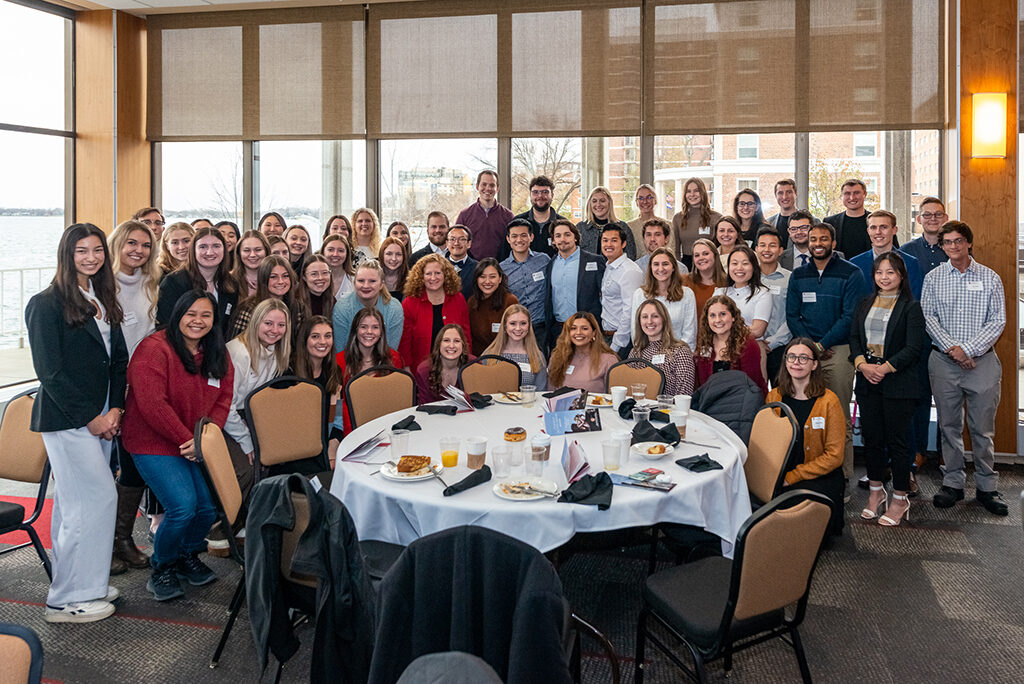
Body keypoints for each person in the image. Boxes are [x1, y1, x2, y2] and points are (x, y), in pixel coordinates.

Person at [26, 223, 128, 623]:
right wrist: (92, 419)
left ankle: (88, 582)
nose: (91, 257)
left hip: (103, 415)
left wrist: (115, 409)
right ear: (66, 255)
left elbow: (116, 361)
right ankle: (67, 600)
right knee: (96, 499)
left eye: (97, 250)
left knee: (78, 505)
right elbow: (50, 374)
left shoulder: (101, 297)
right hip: (71, 419)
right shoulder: (45, 303)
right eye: (81, 251)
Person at [122, 291, 233, 602]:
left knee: (207, 508)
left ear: (214, 321)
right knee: (182, 507)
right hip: (153, 440)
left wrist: (205, 439)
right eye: (191, 314)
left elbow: (224, 398)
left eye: (206, 315)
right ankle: (163, 566)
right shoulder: (154, 349)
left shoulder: (215, 352)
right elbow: (152, 404)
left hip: (193, 442)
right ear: (178, 315)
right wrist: (189, 440)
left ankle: (185, 555)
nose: (198, 321)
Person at [922, 221, 1008, 516]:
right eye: (948, 242)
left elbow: (997, 320)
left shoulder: (990, 277)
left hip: (982, 363)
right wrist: (954, 351)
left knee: (982, 430)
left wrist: (968, 350)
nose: (954, 246)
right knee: (949, 427)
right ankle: (953, 483)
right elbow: (929, 318)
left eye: (959, 241)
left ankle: (987, 487)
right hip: (944, 363)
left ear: (969, 243)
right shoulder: (933, 278)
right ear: (942, 246)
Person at [849, 252, 926, 526]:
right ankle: (876, 492)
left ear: (901, 276)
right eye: (880, 272)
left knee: (898, 443)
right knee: (872, 440)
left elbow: (914, 348)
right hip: (867, 380)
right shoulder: (864, 303)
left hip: (897, 383)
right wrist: (862, 365)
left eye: (890, 272)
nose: (885, 277)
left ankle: (900, 498)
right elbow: (855, 338)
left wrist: (884, 368)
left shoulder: (910, 308)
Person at [786, 221, 864, 488]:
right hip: (805, 354)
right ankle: (807, 472)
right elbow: (792, 315)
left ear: (833, 242)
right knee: (805, 414)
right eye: (813, 239)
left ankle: (841, 477)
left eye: (823, 239)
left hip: (838, 352)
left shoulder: (851, 273)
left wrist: (821, 345)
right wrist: (810, 348)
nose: (818, 243)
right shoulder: (798, 275)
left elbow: (849, 316)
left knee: (838, 415)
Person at [109, 220, 160, 572]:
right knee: (103, 467)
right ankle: (105, 543)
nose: (137, 251)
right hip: (110, 386)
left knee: (131, 465)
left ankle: (121, 539)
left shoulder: (154, 285)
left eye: (144, 245)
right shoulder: (102, 285)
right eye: (131, 243)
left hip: (143, 386)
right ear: (117, 245)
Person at [765, 338, 845, 537]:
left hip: (818, 474)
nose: (796, 362)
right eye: (791, 357)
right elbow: (767, 443)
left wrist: (793, 477)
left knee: (802, 523)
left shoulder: (829, 401)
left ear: (814, 364)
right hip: (784, 472)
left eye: (803, 358)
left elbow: (834, 456)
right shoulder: (774, 397)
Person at [222, 299, 290, 530]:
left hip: (249, 417)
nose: (274, 330)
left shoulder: (276, 351)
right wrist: (246, 441)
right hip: (224, 419)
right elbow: (226, 404)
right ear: (255, 323)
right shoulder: (239, 352)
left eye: (281, 325)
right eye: (268, 323)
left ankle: (249, 523)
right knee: (246, 468)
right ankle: (224, 526)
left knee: (269, 460)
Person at [157, 227, 238, 336]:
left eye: (216, 246)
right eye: (203, 247)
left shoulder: (231, 284)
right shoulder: (173, 282)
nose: (209, 252)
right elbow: (165, 325)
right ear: (193, 250)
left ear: (224, 249)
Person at [336, 307, 404, 432]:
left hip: (386, 426)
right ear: (355, 330)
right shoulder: (339, 361)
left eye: (375, 327)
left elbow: (397, 399)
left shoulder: (393, 359)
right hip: (351, 428)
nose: (369, 331)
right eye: (363, 327)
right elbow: (339, 406)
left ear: (381, 332)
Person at [400, 254, 471, 371]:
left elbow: (466, 335)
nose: (433, 278)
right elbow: (405, 341)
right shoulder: (409, 303)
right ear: (421, 277)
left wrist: (466, 364)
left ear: (446, 275)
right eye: (428, 273)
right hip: (419, 369)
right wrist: (406, 368)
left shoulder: (458, 299)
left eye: (438, 273)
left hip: (455, 367)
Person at [544, 219, 605, 350]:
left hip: (587, 331)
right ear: (553, 241)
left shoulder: (595, 261)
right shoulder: (550, 264)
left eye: (567, 234)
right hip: (559, 330)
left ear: (575, 237)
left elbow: (604, 296)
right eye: (558, 236)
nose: (563, 239)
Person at [290, 316, 344, 462]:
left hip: (325, 447)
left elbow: (336, 414)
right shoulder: (289, 374)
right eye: (315, 336)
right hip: (296, 451)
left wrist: (332, 448)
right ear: (304, 340)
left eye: (328, 336)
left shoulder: (334, 372)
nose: (322, 342)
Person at [694, 294, 767, 395]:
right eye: (712, 315)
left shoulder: (747, 344)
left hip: (741, 402)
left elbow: (752, 384)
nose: (717, 320)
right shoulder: (705, 343)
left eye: (723, 314)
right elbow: (701, 383)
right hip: (709, 403)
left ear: (733, 317)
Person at [332, 259, 404, 354]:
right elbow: (340, 349)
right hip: (349, 362)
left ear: (381, 284)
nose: (366, 286)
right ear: (354, 283)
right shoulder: (342, 308)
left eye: (372, 281)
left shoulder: (394, 308)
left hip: (383, 363)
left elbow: (391, 350)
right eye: (361, 281)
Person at [631, 247, 697, 350]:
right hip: (648, 357)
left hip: (679, 357)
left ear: (673, 267)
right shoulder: (640, 295)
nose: (660, 269)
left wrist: (677, 357)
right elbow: (636, 333)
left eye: (665, 264)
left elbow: (690, 334)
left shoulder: (687, 294)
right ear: (651, 268)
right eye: (656, 264)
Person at [500, 218, 551, 348]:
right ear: (508, 239)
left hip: (540, 327)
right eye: (514, 236)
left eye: (524, 235)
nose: (519, 240)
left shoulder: (544, 260)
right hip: (515, 329)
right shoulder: (502, 268)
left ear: (531, 237)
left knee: (541, 365)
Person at [849, 210, 923, 298]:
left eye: (883, 227)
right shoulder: (856, 263)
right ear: (868, 231)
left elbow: (914, 299)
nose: (878, 232)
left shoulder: (910, 263)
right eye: (873, 227)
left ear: (894, 230)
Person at [629, 298, 696, 396]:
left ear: (664, 319)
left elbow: (684, 394)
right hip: (639, 410)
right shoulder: (635, 352)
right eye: (644, 317)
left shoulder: (680, 351)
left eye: (655, 316)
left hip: (669, 410)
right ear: (639, 321)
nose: (649, 321)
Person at [599, 224, 644, 356]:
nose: (608, 244)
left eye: (614, 240)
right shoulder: (609, 266)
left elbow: (630, 311)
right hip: (607, 336)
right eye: (605, 240)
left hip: (622, 341)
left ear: (623, 244)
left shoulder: (629, 271)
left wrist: (616, 346)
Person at [547, 312, 619, 393]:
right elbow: (550, 393)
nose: (578, 332)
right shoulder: (557, 357)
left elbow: (616, 397)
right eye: (573, 328)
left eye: (584, 328)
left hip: (595, 405)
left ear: (593, 333)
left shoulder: (608, 360)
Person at [755, 227, 792, 383]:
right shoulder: (748, 277)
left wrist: (773, 342)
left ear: (781, 250)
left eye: (772, 245)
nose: (767, 249)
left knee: (782, 394)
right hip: (753, 347)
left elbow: (793, 315)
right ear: (756, 249)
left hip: (781, 347)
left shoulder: (790, 279)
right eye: (762, 245)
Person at [229, 255, 298, 338]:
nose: (281, 281)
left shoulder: (297, 307)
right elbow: (236, 344)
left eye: (285, 276)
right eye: (273, 277)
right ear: (263, 279)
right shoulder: (248, 308)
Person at [483, 304, 548, 389]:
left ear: (529, 326)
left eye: (523, 323)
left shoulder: (537, 356)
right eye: (513, 323)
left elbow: (541, 391)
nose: (518, 328)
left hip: (528, 402)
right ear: (505, 326)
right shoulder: (489, 355)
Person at [455, 169, 514, 259]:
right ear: (477, 186)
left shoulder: (508, 216)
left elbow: (513, 244)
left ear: (497, 188)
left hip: (500, 267)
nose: (488, 188)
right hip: (473, 268)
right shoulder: (465, 215)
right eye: (484, 184)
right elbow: (457, 243)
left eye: (492, 185)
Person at [715, 245, 771, 340]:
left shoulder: (763, 293)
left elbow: (758, 330)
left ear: (754, 267)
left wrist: (723, 329)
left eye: (745, 263)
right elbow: (710, 325)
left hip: (749, 348)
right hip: (720, 348)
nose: (739, 268)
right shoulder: (719, 293)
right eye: (734, 263)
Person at [500, 175, 564, 258]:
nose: (540, 196)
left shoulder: (562, 224)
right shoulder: (518, 222)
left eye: (545, 192)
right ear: (530, 195)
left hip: (556, 270)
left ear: (552, 195)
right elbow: (505, 253)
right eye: (535, 192)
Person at [466, 258, 518, 356]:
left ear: (500, 279)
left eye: (492, 277)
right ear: (476, 279)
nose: (487, 281)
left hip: (504, 358)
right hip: (477, 359)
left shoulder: (510, 301)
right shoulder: (472, 302)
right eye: (482, 276)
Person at [671, 177, 722, 270]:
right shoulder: (678, 218)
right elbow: (676, 250)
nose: (692, 194)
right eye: (688, 191)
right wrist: (678, 269)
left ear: (703, 192)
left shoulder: (716, 218)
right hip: (686, 265)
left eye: (696, 190)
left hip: (709, 265)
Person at [413, 324, 471, 403]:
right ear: (439, 344)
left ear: (463, 345)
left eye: (456, 341)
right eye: (446, 340)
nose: (451, 346)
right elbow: (424, 407)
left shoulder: (473, 365)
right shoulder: (424, 371)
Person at [577, 186, 637, 259]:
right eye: (594, 201)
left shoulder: (623, 227)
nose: (598, 204)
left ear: (609, 203)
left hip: (616, 270)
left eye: (602, 201)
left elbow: (631, 256)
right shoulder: (580, 228)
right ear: (589, 204)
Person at [823, 179, 874, 259]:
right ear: (842, 196)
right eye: (847, 193)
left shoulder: (877, 221)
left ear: (865, 194)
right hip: (840, 270)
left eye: (856, 193)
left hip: (870, 269)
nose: (852, 197)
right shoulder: (830, 222)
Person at [902, 196, 950, 274]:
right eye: (927, 215)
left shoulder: (955, 250)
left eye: (938, 214)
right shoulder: (906, 251)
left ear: (946, 218)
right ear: (919, 219)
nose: (933, 218)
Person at [681, 238, 726, 317]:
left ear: (715, 255)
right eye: (697, 255)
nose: (701, 258)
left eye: (705, 254)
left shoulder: (728, 282)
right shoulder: (684, 281)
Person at [626, 184, 665, 258]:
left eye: (649, 197)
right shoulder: (629, 227)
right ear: (636, 202)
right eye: (640, 198)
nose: (645, 201)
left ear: (655, 200)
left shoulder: (667, 225)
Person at [232, 230, 270, 298]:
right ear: (239, 253)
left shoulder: (276, 279)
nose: (252, 255)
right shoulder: (229, 280)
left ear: (266, 251)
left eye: (258, 250)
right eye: (247, 250)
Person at [445, 224, 478, 298]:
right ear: (447, 243)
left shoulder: (478, 268)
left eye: (462, 239)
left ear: (469, 243)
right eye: (452, 239)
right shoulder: (438, 266)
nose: (456, 243)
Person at [321, 233, 355, 298]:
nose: (335, 254)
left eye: (341, 250)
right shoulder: (316, 279)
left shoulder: (355, 280)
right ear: (323, 252)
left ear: (347, 254)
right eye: (330, 250)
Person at [766, 178, 797, 245]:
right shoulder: (768, 224)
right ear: (775, 196)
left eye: (789, 192)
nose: (784, 197)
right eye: (780, 193)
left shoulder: (812, 221)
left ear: (796, 194)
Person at [379, 236, 410, 301]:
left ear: (404, 257)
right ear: (382, 255)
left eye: (398, 254)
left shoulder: (410, 280)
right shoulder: (373, 277)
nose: (394, 258)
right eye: (389, 254)